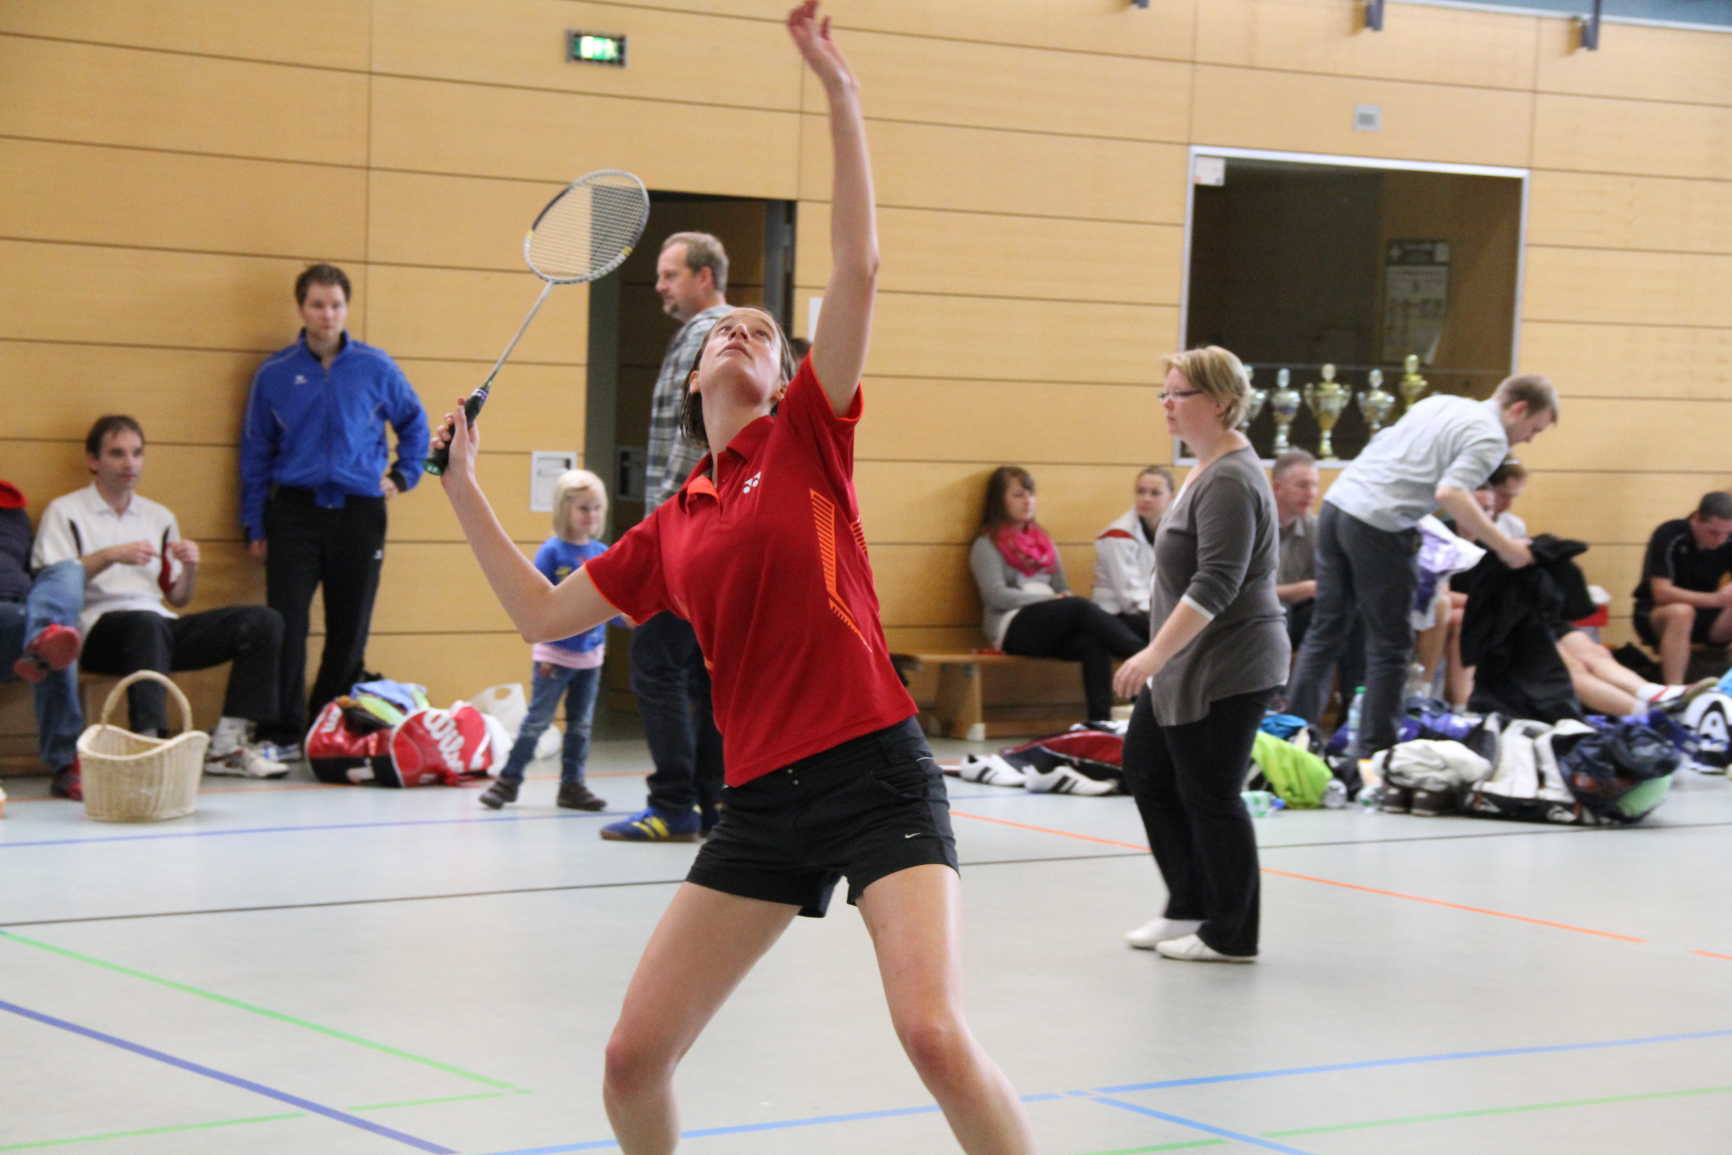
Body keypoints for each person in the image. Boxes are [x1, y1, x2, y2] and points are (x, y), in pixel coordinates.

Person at [431, 7, 1034, 1151]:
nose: (748, 333)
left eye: (766, 331)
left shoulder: (809, 436)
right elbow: (540, 612)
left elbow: (859, 266)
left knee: (933, 1035)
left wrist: (839, 92)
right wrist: (461, 486)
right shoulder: (671, 526)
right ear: (694, 371)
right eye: (731, 330)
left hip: (876, 770)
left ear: (788, 372)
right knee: (631, 1058)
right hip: (760, 802)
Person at [1111, 346, 1289, 964]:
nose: (1167, 404)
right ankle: (1188, 904)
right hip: (1188, 661)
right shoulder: (1202, 467)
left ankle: (1232, 933)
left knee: (1211, 793)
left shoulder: (1232, 479)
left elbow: (1217, 582)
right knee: (1149, 770)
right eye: (1163, 393)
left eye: (1179, 394)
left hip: (1229, 663)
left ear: (1219, 402)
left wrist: (1152, 655)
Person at [1285, 374, 1559, 759]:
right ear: (1518, 409)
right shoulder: (1491, 437)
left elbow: (1387, 449)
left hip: (1337, 505)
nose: (1529, 439)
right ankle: (1375, 754)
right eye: (1534, 429)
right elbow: (1451, 492)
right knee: (1392, 645)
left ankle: (1290, 741)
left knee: (1325, 632)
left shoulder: (1440, 403)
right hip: (1379, 523)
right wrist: (1506, 548)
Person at [240, 263, 429, 761]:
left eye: (336, 305)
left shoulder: (375, 367)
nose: (328, 314)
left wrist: (403, 476)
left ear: (347, 309)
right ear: (301, 309)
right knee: (286, 626)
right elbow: (255, 452)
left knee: (350, 628)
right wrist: (254, 523)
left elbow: (415, 423)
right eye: (318, 305)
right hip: (294, 514)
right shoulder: (275, 374)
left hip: (359, 513)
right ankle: (283, 731)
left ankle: (325, 726)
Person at [33, 416, 287, 777]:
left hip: (157, 627)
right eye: (117, 454)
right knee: (145, 624)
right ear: (93, 461)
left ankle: (227, 745)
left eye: (137, 453)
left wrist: (191, 568)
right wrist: (109, 556)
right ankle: (149, 744)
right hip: (96, 630)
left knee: (263, 621)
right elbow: (53, 583)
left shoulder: (158, 516)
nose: (129, 463)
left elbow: (178, 598)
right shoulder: (66, 511)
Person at [603, 230, 735, 841]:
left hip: (688, 534)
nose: (658, 286)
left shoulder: (707, 337)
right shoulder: (729, 335)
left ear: (705, 277)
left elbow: (691, 445)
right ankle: (717, 804)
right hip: (715, 535)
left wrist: (660, 543)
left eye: (670, 274)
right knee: (705, 674)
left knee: (656, 664)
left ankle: (673, 805)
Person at [479, 469, 617, 812]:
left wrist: (627, 615)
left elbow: (608, 601)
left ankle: (572, 785)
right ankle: (508, 782)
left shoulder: (602, 552)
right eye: (583, 508)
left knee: (581, 725)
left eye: (596, 508)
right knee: (537, 722)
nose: (591, 515)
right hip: (554, 657)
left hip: (590, 658)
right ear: (564, 509)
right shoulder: (552, 551)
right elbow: (538, 602)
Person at [970, 466, 1144, 722]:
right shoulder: (986, 544)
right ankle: (1144, 658)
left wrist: (1058, 599)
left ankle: (1100, 722)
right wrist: (1051, 599)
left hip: (1052, 619)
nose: (1027, 501)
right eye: (1018, 495)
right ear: (999, 501)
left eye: (1031, 494)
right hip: (1011, 625)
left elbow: (1061, 586)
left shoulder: (1044, 541)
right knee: (1078, 607)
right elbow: (996, 596)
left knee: (1093, 642)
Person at [1, 481, 85, 800]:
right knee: (50, 632)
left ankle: (43, 638)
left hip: (20, 613)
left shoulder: (11, 511)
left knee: (69, 570)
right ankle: (42, 639)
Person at [1633, 491, 1732, 684]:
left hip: (1708, 617)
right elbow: (1661, 593)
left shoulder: (1728, 539)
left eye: (1726, 534)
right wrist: (1717, 599)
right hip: (1657, 613)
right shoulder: (1670, 534)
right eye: (1713, 533)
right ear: (1696, 519)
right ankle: (1674, 692)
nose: (1720, 540)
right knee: (1682, 613)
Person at [1091, 465, 1173, 640]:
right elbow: (1131, 599)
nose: (1146, 498)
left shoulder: (1175, 532)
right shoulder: (1117, 534)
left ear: (1171, 497)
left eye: (1155, 493)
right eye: (1141, 492)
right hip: (1116, 615)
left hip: (1153, 612)